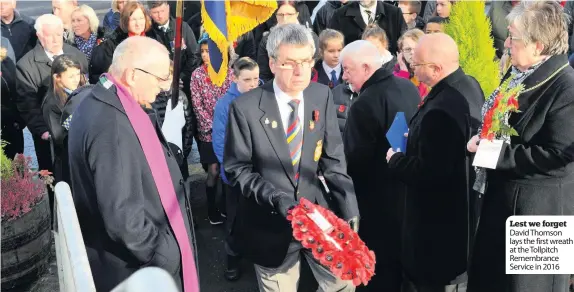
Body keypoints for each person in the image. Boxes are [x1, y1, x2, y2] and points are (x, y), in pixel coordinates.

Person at [224, 23, 360, 292]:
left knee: (343, 282)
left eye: (306, 61)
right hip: (270, 224)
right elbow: (237, 169)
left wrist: (349, 205)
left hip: (318, 217)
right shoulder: (245, 108)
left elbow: (333, 158)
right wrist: (278, 200)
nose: (300, 71)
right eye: (289, 63)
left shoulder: (321, 95)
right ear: (272, 64)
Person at [68, 36, 199, 292]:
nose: (164, 87)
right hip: (138, 271)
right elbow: (123, 218)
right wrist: (164, 256)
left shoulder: (101, 100)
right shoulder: (112, 125)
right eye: (161, 78)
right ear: (132, 75)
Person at [467, 2, 574, 292]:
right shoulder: (519, 73)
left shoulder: (566, 87)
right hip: (504, 203)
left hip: (539, 214)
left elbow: (559, 156)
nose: (507, 43)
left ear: (538, 45)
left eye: (513, 37)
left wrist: (490, 154)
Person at [386, 33, 483, 292]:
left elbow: (429, 173)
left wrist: (395, 159)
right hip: (461, 219)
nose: (411, 68)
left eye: (416, 64)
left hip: (436, 232)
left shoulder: (441, 108)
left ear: (436, 68)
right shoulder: (469, 84)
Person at [341, 40, 420, 292]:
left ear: (366, 68)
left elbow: (354, 160)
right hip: (409, 192)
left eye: (347, 69)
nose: (344, 77)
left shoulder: (365, 103)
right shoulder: (408, 87)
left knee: (376, 271)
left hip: (376, 204)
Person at [16, 14, 88, 217]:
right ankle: (57, 218)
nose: (56, 39)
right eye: (50, 35)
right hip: (49, 133)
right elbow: (27, 104)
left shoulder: (76, 55)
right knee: (54, 179)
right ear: (39, 36)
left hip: (79, 133)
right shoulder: (27, 65)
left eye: (59, 34)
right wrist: (43, 131)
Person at [212, 57, 260, 282]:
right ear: (235, 78)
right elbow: (220, 143)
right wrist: (237, 170)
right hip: (235, 177)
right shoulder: (225, 105)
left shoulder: (262, 98)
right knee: (234, 221)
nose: (253, 84)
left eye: (256, 79)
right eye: (247, 79)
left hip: (259, 175)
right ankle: (232, 260)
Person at [190, 33, 233, 225]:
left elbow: (232, 101)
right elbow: (197, 105)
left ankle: (225, 206)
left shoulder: (229, 74)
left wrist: (225, 126)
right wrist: (211, 126)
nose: (206, 55)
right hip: (208, 132)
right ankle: (211, 209)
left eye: (209, 51)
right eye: (203, 52)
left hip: (228, 130)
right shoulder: (197, 75)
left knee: (227, 168)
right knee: (213, 170)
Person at [41, 54, 89, 184]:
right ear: (57, 78)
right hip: (68, 160)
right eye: (71, 76)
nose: (76, 80)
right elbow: (58, 137)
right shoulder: (51, 103)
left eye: (78, 74)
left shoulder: (82, 91)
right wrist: (75, 117)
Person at [89, 1, 154, 83]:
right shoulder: (110, 45)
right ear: (126, 21)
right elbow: (99, 77)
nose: (138, 23)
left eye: (141, 18)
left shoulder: (153, 38)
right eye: (133, 19)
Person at [257, 1, 319, 82]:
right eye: (281, 15)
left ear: (297, 14)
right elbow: (264, 74)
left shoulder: (311, 38)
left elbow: (313, 67)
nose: (285, 19)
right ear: (276, 16)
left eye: (289, 14)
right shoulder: (267, 40)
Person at [147, 0, 198, 99]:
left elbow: (194, 54)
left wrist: (182, 76)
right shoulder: (149, 34)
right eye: (155, 13)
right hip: (160, 87)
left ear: (168, 8)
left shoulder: (182, 27)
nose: (160, 16)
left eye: (162, 11)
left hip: (184, 82)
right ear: (150, 13)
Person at [328, 0, 407, 54]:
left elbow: (404, 45)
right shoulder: (339, 15)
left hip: (388, 72)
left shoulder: (394, 13)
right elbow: (332, 45)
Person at [1, 36, 24, 159]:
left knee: (16, 169)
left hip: (12, 127)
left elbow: (17, 92)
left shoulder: (6, 62)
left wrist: (19, 121)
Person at [394, 28, 429, 99]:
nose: (412, 53)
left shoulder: (430, 71)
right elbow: (398, 97)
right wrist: (403, 71)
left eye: (416, 48)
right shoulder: (395, 74)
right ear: (401, 52)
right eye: (408, 49)